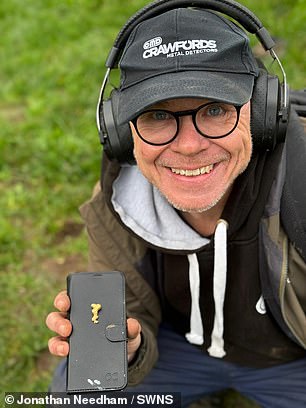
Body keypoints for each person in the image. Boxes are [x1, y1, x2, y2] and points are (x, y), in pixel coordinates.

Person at [46, 1, 306, 407]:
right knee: (80, 395)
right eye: (157, 116)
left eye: (216, 109)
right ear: (120, 131)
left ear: (261, 112)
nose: (188, 146)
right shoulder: (118, 204)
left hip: (292, 363)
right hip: (180, 352)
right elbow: (132, 317)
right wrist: (129, 349)